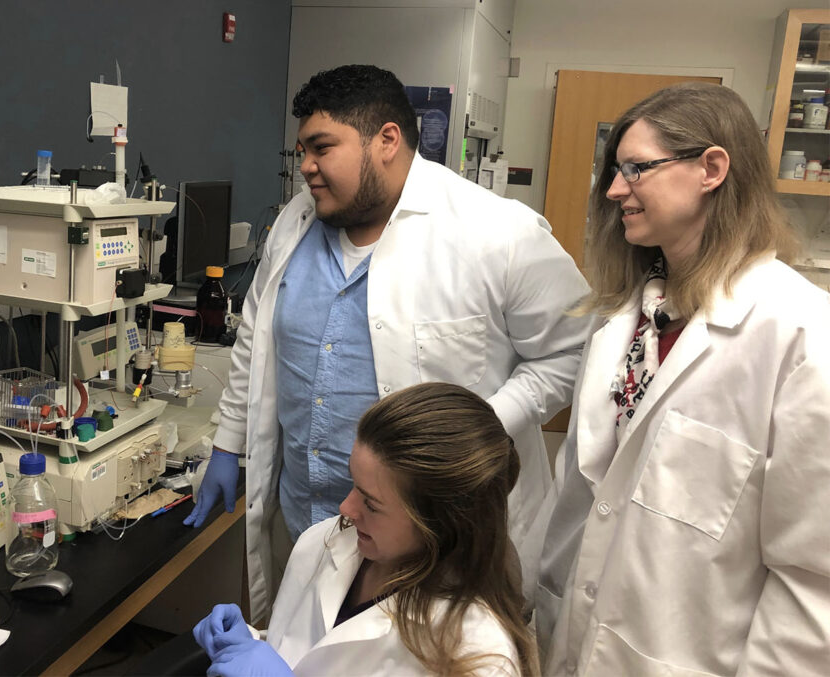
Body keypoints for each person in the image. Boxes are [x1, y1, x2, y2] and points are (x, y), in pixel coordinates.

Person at [184, 64, 591, 622]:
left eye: (321, 147)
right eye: (301, 149)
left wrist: (472, 432)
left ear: (387, 141)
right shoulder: (294, 223)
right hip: (311, 527)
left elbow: (574, 349)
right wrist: (229, 444)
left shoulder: (496, 232)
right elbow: (255, 337)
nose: (305, 166)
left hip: (435, 539)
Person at [536, 82, 830, 675]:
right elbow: (585, 504)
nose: (616, 190)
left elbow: (813, 583)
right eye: (615, 172)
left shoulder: (801, 338)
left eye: (636, 169)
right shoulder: (626, 322)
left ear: (711, 169)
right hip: (573, 639)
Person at [194, 383, 538, 677]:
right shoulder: (327, 542)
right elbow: (309, 654)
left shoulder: (479, 655)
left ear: (442, 523)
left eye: (371, 503)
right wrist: (248, 643)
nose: (346, 508)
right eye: (353, 483)